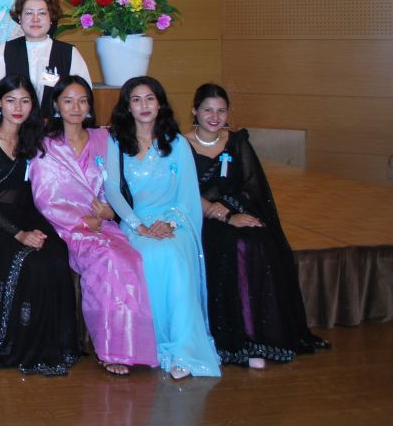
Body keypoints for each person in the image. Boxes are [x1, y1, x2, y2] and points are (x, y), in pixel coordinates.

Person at [185, 83, 328, 367]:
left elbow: (253, 186)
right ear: (194, 112)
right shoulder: (181, 145)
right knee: (229, 243)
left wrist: (233, 209)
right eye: (208, 110)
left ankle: (259, 337)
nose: (215, 117)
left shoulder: (237, 142)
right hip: (199, 217)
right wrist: (219, 213)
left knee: (259, 241)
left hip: (235, 212)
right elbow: (183, 189)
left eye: (221, 111)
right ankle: (234, 340)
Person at [29, 76, 158, 376]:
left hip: (104, 224)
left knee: (132, 258)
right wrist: (79, 220)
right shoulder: (45, 145)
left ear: (89, 106)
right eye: (68, 101)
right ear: (56, 105)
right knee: (108, 259)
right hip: (66, 228)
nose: (76, 107)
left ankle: (136, 345)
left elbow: (113, 185)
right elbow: (44, 196)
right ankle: (111, 348)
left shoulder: (104, 138)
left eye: (82, 101)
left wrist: (109, 211)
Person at [103, 76, 221, 379]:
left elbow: (187, 196)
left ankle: (183, 350)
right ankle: (148, 345)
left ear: (160, 104)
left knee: (172, 255)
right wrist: (139, 226)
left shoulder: (177, 144)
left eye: (150, 99)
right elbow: (112, 190)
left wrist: (168, 224)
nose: (144, 105)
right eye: (136, 100)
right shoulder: (116, 142)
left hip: (174, 222)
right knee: (147, 256)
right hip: (135, 222)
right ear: (128, 107)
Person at [0, 75, 81, 375]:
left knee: (56, 254)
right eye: (11, 100)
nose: (17, 108)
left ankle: (51, 345)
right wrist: (18, 234)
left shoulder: (34, 138)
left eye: (25, 101)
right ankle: (17, 346)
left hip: (29, 214)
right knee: (29, 263)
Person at [0, 0, 91, 114]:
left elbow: (83, 94)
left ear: (51, 17)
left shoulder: (69, 53)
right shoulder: (3, 52)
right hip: (13, 124)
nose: (35, 19)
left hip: (56, 124)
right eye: (29, 13)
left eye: (42, 13)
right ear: (20, 18)